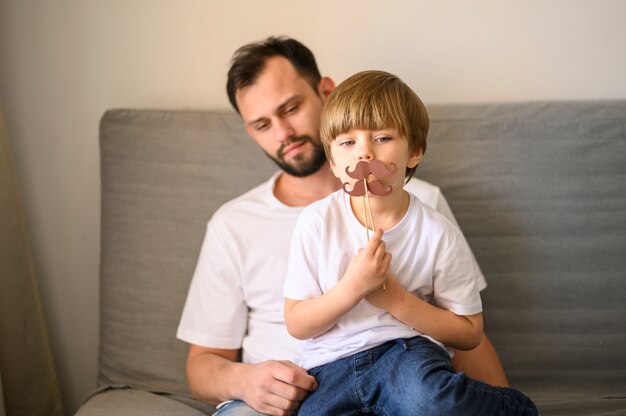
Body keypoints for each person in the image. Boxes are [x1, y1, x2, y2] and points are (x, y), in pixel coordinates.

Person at [177, 36, 509, 416]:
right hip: (288, 398)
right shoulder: (233, 223)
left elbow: (468, 334)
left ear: (326, 92)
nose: (283, 133)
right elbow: (202, 363)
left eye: (291, 108)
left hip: (401, 378)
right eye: (262, 124)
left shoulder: (426, 207)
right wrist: (245, 382)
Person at [283, 70, 538, 415]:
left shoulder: (438, 233)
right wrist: (352, 288)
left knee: (428, 399)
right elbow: (297, 323)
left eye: (383, 138)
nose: (364, 154)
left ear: (414, 151)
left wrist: (396, 300)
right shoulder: (316, 223)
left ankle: (510, 408)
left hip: (404, 354)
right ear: (332, 160)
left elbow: (469, 332)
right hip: (329, 370)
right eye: (347, 142)